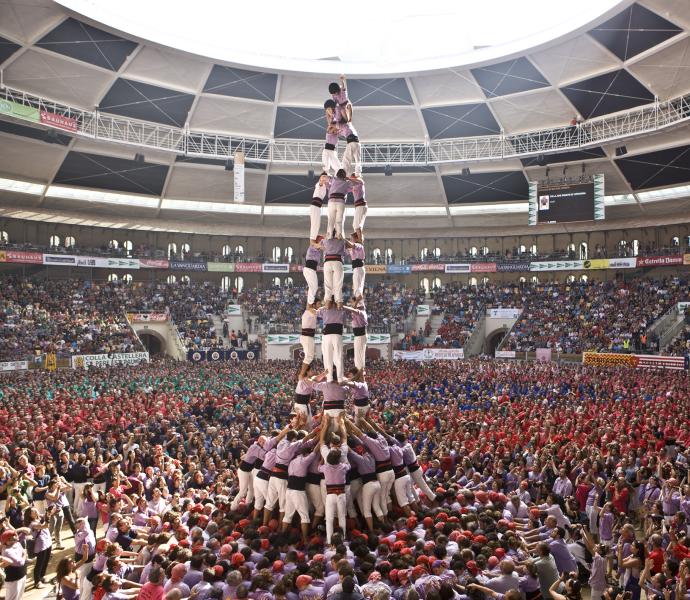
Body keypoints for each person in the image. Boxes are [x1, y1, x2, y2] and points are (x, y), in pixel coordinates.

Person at [318, 419, 350, 544]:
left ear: (331, 443)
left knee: (330, 518)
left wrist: (325, 425)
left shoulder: (326, 456)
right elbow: (345, 440)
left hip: (330, 494)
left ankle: (330, 541)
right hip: (342, 493)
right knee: (342, 517)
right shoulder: (343, 458)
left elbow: (321, 442)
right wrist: (341, 424)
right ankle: (343, 539)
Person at [317, 301, 345, 383]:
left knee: (328, 357)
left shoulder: (324, 309)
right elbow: (344, 321)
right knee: (338, 357)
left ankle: (330, 378)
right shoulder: (341, 308)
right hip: (336, 333)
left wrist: (323, 306)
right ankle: (340, 378)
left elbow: (315, 313)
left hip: (328, 335)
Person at [0, 529, 27, 600]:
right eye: (13, 536)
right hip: (14, 580)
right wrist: (24, 555)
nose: (16, 537)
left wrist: (24, 554)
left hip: (22, 575)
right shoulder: (6, 551)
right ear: (7, 540)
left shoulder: (17, 544)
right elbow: (20, 562)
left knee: (19, 597)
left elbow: (23, 553)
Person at [343, 301, 368, 377]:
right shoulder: (359, 312)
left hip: (360, 336)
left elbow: (354, 310)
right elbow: (353, 310)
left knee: (359, 356)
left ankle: (361, 373)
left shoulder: (361, 312)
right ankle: (360, 371)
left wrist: (343, 306)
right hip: (359, 336)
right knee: (357, 356)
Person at [300, 302, 319, 379]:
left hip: (307, 337)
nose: (320, 305)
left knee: (309, 357)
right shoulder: (310, 311)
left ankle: (303, 374)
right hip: (307, 337)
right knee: (309, 357)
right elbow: (309, 304)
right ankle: (301, 374)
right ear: (313, 305)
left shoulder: (309, 311)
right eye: (318, 304)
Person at [322, 101, 342, 177]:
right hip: (327, 150)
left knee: (338, 167)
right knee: (326, 167)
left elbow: (337, 125)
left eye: (329, 109)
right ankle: (327, 177)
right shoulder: (330, 128)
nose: (328, 111)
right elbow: (332, 127)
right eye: (327, 109)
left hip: (332, 151)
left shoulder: (335, 120)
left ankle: (338, 177)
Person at [310, 173, 330, 244]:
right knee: (315, 224)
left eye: (326, 177)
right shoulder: (319, 184)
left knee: (316, 224)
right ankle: (312, 240)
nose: (325, 178)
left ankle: (314, 239)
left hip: (317, 206)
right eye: (323, 177)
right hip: (315, 206)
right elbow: (321, 182)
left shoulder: (325, 185)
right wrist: (323, 178)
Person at [346, 235, 366, 302]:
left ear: (356, 239)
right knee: (356, 288)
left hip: (358, 267)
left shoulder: (359, 245)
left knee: (357, 290)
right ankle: (358, 304)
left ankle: (357, 304)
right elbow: (347, 248)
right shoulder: (352, 248)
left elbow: (352, 245)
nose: (350, 240)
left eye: (351, 238)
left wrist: (343, 239)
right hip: (357, 267)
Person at [303, 239, 322, 307]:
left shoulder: (318, 252)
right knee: (313, 287)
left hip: (312, 270)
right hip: (309, 269)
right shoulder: (312, 246)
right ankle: (309, 304)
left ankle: (310, 303)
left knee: (314, 287)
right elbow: (318, 245)